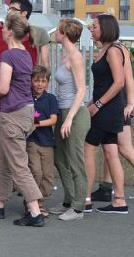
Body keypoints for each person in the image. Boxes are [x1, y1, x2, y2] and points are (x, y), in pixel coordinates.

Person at [0, 13, 45, 227]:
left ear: (9, 31)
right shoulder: (25, 54)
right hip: (25, 112)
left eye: (3, 26)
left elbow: (4, 88)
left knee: (18, 165)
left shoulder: (8, 56)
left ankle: (35, 212)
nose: (0, 29)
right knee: (4, 162)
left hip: (13, 115)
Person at [89, 39, 134, 207]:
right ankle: (106, 187)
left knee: (124, 147)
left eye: (95, 28)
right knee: (111, 147)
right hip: (113, 105)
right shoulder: (109, 49)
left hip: (118, 106)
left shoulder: (118, 49)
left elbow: (128, 78)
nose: (92, 32)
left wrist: (130, 103)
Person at [84, 14, 128, 214]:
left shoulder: (113, 51)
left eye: (94, 27)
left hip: (107, 109)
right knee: (111, 152)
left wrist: (98, 105)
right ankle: (119, 200)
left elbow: (119, 82)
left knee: (87, 148)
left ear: (105, 29)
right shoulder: (104, 50)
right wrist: (92, 102)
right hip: (104, 107)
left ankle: (85, 198)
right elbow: (104, 84)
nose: (91, 30)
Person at [49, 18, 91, 221]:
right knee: (60, 158)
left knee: (75, 161)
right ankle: (69, 200)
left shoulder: (75, 56)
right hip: (63, 111)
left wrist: (69, 119)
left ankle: (78, 208)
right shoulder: (66, 55)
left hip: (75, 114)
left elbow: (82, 89)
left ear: (64, 34)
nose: (54, 34)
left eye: (57, 31)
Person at [26, 65, 58, 217]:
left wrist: (37, 124)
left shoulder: (51, 99)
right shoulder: (27, 98)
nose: (40, 84)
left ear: (47, 83)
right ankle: (30, 202)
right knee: (35, 172)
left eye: (43, 81)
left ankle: (41, 203)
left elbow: (53, 120)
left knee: (47, 175)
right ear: (31, 81)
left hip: (48, 142)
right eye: (36, 81)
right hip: (32, 141)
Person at [8, 0, 50, 69]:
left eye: (13, 9)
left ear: (24, 13)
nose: (9, 12)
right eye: (9, 9)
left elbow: (45, 63)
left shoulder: (40, 32)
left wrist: (42, 79)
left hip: (30, 76)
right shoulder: (5, 32)